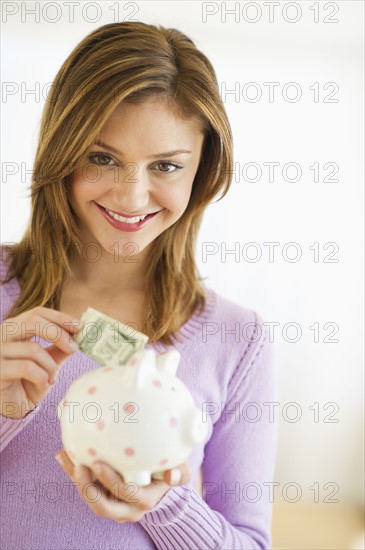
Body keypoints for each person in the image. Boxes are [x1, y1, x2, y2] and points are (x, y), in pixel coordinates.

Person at [0, 21, 277, 550]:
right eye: (102, 157)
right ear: (62, 152)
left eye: (166, 166)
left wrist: (164, 506)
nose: (130, 198)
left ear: (202, 172)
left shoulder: (237, 339)